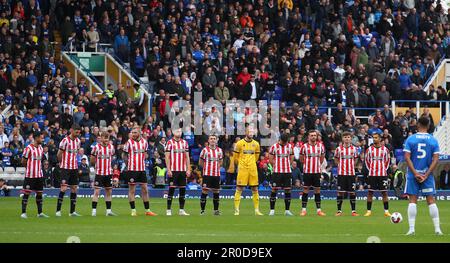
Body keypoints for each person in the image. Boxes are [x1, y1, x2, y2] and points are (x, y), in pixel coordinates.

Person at [404, 117, 443, 235]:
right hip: (427, 175)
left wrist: (415, 173)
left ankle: (411, 229)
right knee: (431, 200)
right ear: (429, 124)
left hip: (412, 175)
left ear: (418, 124)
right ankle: (437, 229)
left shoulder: (411, 139)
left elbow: (407, 157)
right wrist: (426, 175)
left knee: (412, 200)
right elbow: (436, 159)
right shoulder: (433, 140)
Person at [122, 126, 157, 217]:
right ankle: (133, 210)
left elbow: (145, 153)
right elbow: (124, 155)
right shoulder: (129, 142)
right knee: (132, 190)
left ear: (139, 133)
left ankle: (148, 210)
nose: (133, 134)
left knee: (145, 189)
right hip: (132, 169)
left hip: (142, 169)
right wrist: (128, 164)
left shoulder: (144, 142)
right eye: (132, 133)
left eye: (135, 133)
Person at [233, 127, 263, 216]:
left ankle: (257, 210)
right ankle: (237, 210)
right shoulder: (239, 143)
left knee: (255, 188)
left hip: (252, 169)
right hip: (243, 169)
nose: (251, 133)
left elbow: (257, 157)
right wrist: (241, 165)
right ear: (246, 132)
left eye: (252, 131)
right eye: (249, 131)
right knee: (239, 188)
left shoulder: (256, 144)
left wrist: (252, 163)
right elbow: (235, 158)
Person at [21, 132, 49, 218]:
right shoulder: (28, 148)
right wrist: (29, 168)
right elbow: (23, 161)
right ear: (36, 138)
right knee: (27, 193)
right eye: (41, 138)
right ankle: (23, 213)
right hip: (30, 175)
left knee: (39, 193)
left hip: (39, 175)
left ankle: (40, 213)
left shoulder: (40, 148)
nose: (42, 139)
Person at [56, 124, 82, 217]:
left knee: (74, 188)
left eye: (79, 132)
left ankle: (72, 211)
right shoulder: (65, 141)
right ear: (71, 130)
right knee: (63, 188)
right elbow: (59, 154)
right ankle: (58, 210)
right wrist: (61, 164)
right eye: (76, 132)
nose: (78, 133)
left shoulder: (78, 141)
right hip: (65, 168)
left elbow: (77, 153)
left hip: (74, 168)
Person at [363, 132, 391, 217]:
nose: (374, 139)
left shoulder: (385, 149)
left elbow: (387, 161)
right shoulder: (369, 149)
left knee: (384, 193)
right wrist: (371, 169)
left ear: (380, 139)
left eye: (376, 137)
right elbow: (367, 161)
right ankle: (368, 211)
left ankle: (386, 211)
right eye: (373, 137)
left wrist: (383, 170)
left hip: (382, 174)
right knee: (370, 192)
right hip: (372, 174)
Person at [165, 128, 191, 216]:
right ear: (173, 132)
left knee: (183, 189)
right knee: (171, 189)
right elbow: (167, 157)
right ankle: (168, 210)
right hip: (173, 170)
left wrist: (188, 169)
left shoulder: (184, 143)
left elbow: (187, 157)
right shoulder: (169, 143)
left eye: (180, 131)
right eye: (177, 131)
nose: (179, 133)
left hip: (182, 170)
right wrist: (168, 169)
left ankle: (181, 210)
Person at [299, 130, 326, 216]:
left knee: (317, 190)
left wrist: (317, 166)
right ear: (308, 137)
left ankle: (319, 210)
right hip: (307, 172)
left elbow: (322, 159)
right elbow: (301, 159)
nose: (313, 137)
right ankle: (303, 210)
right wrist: (307, 165)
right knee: (305, 189)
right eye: (312, 135)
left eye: (315, 135)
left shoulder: (320, 146)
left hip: (317, 172)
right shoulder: (304, 147)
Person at [90, 131, 117, 216]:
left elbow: (111, 157)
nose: (106, 140)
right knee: (97, 191)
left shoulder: (111, 147)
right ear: (101, 138)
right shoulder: (96, 147)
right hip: (99, 173)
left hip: (108, 173)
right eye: (104, 138)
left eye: (107, 138)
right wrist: (96, 167)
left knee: (109, 191)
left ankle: (108, 211)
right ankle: (94, 211)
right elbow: (92, 159)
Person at [268, 133, 294, 216]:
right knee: (274, 189)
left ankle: (287, 210)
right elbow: (271, 159)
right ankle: (272, 210)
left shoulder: (289, 146)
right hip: (277, 172)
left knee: (287, 189)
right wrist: (276, 167)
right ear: (280, 140)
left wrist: (287, 165)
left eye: (286, 142)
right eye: (283, 142)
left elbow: (291, 157)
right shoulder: (274, 147)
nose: (285, 143)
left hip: (287, 172)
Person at [334, 131, 359, 216]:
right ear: (342, 139)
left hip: (351, 174)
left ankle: (353, 211)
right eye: (345, 137)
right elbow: (336, 159)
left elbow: (355, 159)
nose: (347, 139)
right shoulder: (338, 149)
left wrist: (351, 166)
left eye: (348, 137)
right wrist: (340, 166)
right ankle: (339, 211)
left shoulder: (354, 149)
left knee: (352, 192)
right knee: (340, 192)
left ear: (351, 139)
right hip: (341, 174)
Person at [198, 135, 223, 215]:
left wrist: (216, 168)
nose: (213, 140)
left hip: (216, 174)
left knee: (216, 191)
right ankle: (202, 210)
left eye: (214, 139)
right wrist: (206, 168)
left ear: (216, 140)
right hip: (207, 174)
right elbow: (200, 162)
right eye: (211, 139)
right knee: (205, 191)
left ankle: (216, 210)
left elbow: (221, 161)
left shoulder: (219, 150)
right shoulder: (205, 150)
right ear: (208, 140)